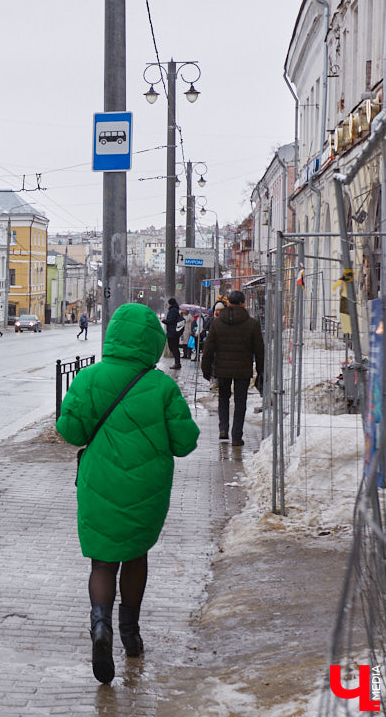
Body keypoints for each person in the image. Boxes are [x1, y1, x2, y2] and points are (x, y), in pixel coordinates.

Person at [55, 302, 199, 684]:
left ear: (113, 335)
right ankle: (131, 636)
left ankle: (99, 626)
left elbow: (70, 432)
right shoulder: (162, 387)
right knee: (135, 555)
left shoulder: (89, 378)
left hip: (99, 483)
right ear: (152, 340)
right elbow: (185, 442)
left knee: (102, 564)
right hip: (146, 488)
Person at [200, 290, 264, 447]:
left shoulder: (217, 323)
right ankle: (236, 436)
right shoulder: (252, 324)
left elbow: (208, 348)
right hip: (243, 369)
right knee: (240, 402)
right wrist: (261, 370)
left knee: (223, 398)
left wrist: (206, 369)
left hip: (222, 369)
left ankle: (223, 428)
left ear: (227, 303)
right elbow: (259, 350)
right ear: (244, 304)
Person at [162, 298, 183, 369]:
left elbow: (170, 321)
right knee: (174, 348)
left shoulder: (173, 310)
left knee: (173, 348)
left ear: (170, 303)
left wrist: (164, 320)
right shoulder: (175, 309)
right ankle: (177, 363)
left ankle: (177, 363)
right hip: (174, 332)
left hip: (172, 333)